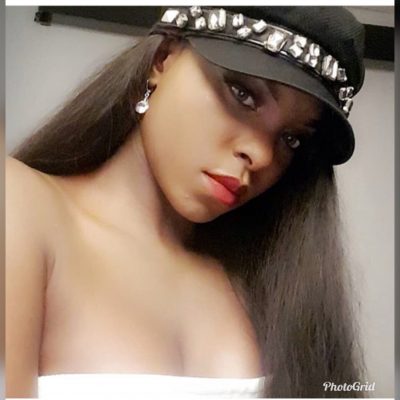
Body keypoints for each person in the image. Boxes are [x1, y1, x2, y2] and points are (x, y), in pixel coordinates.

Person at [6, 6, 367, 399]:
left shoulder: (267, 281)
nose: (261, 155)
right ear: (163, 59)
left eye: (291, 138)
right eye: (243, 94)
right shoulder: (20, 204)